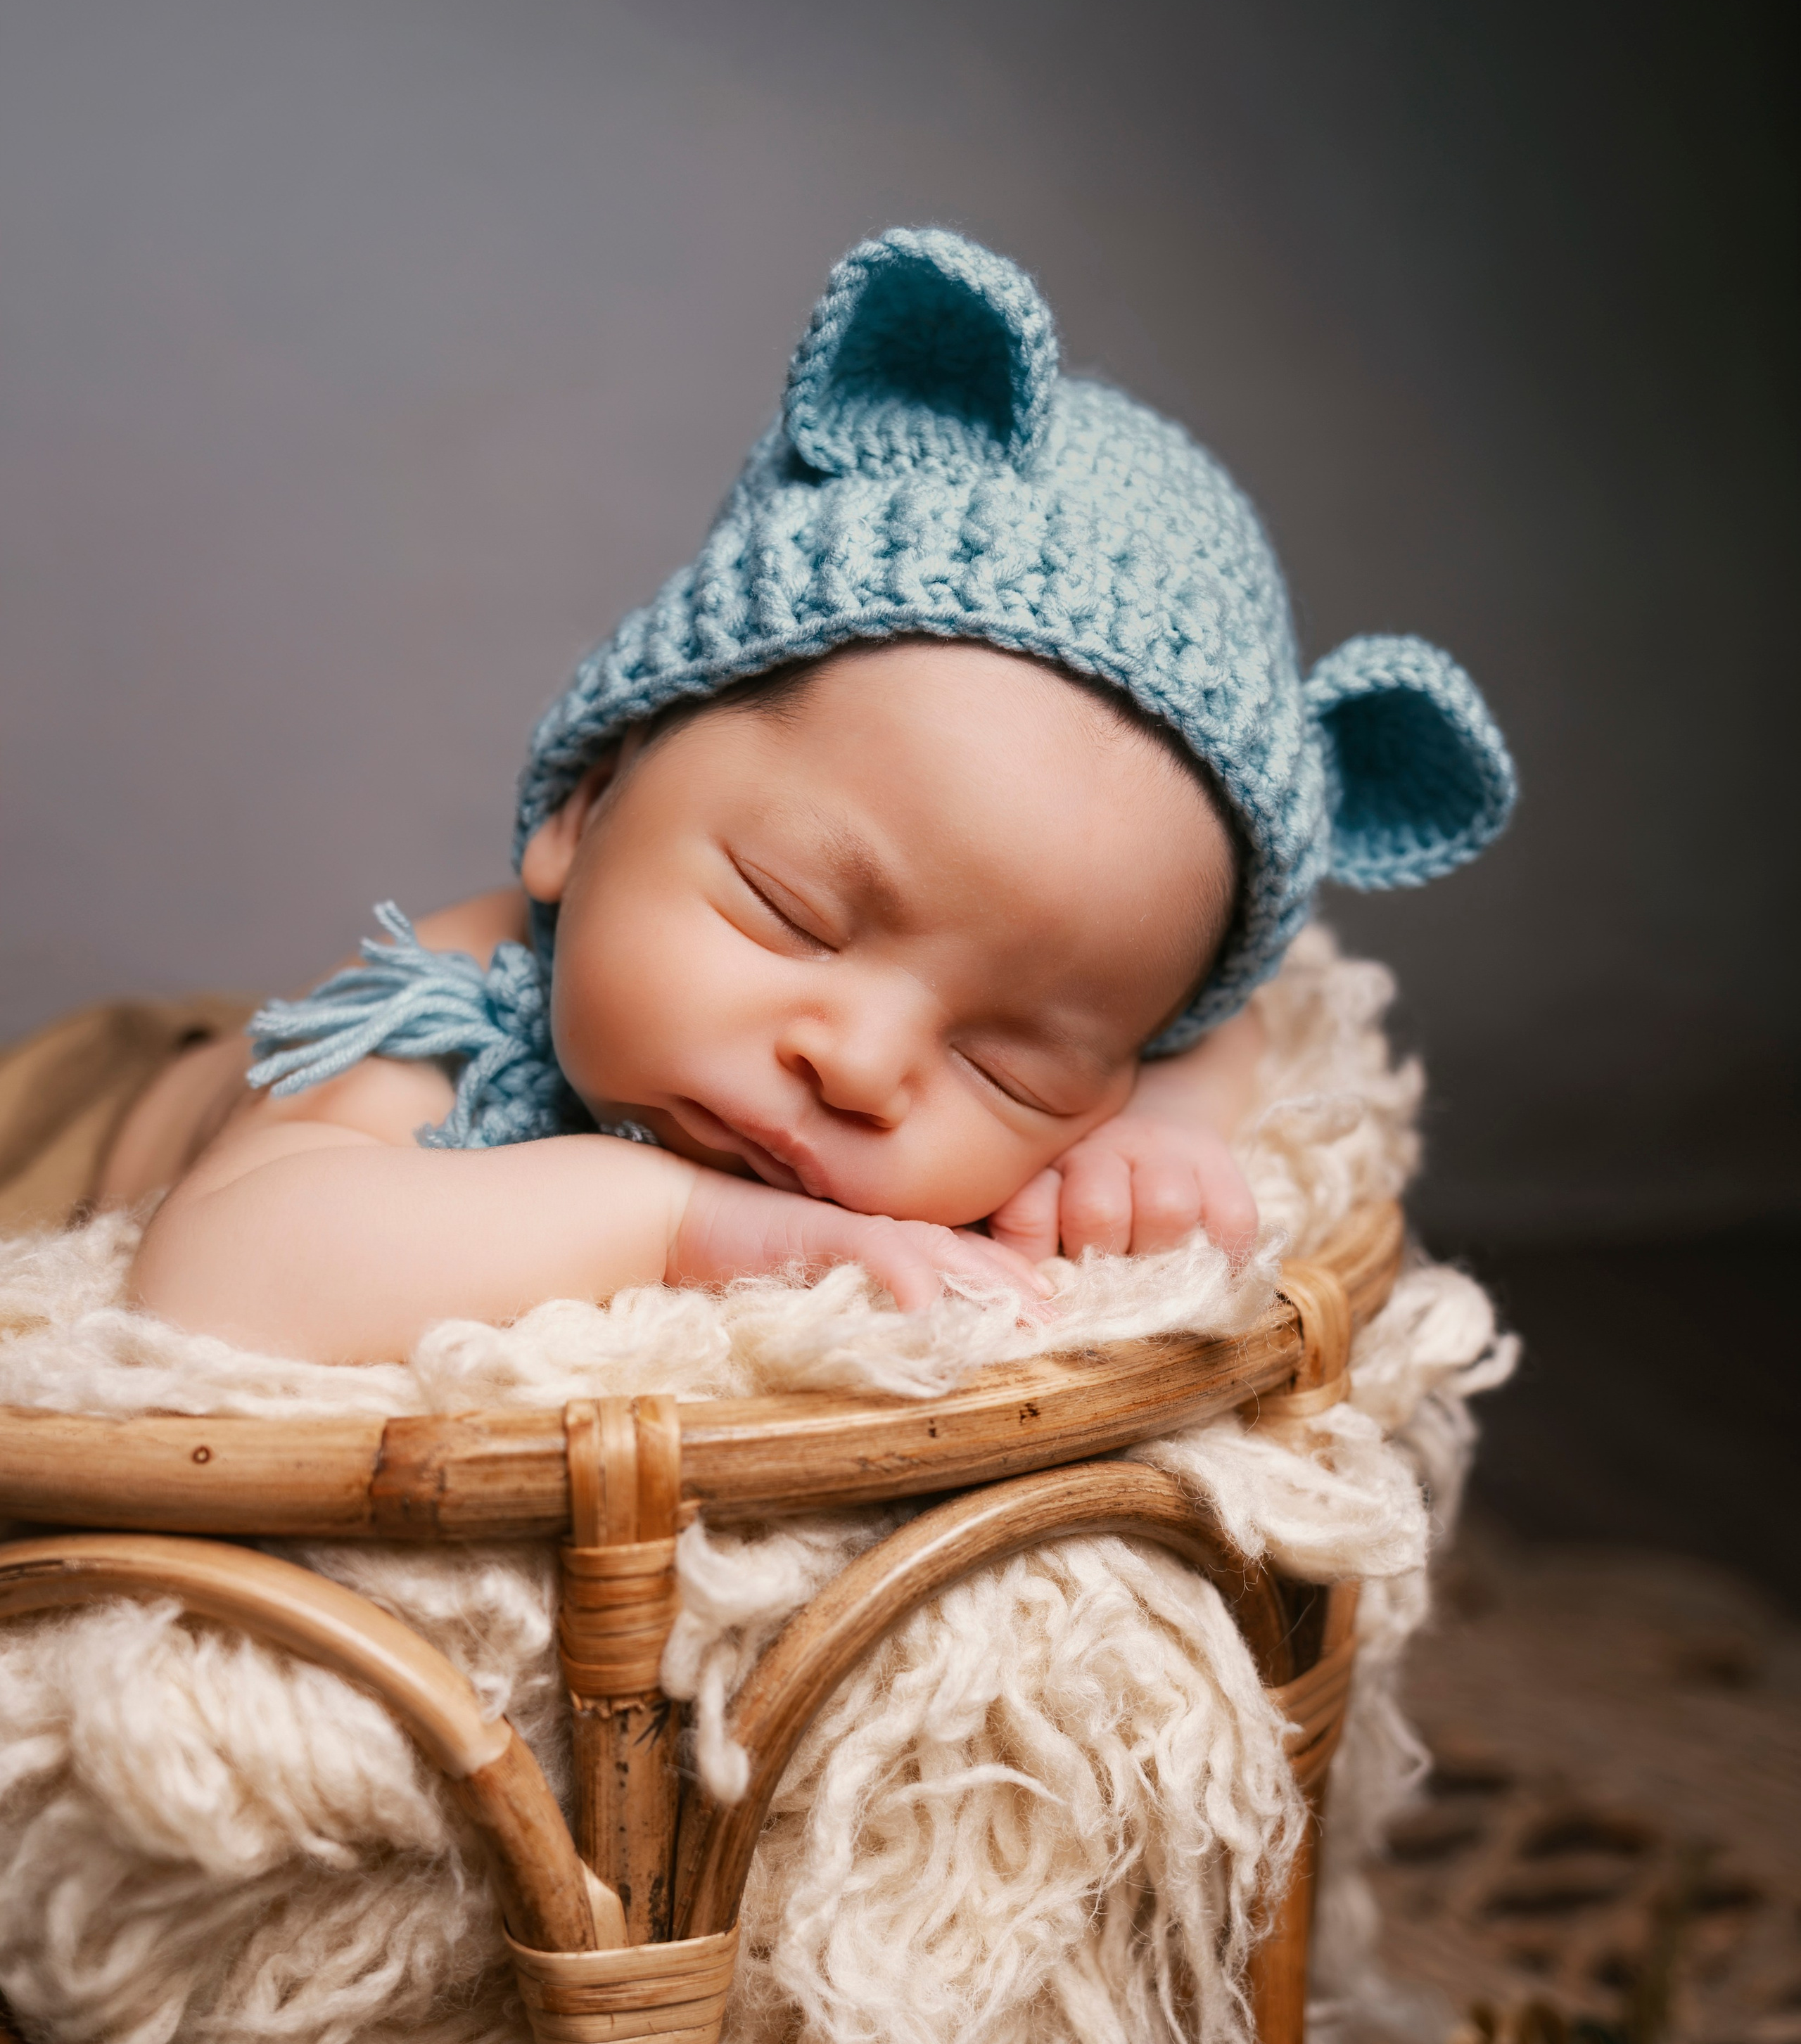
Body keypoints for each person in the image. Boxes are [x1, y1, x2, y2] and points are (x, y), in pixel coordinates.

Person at [119, 229, 1515, 1363]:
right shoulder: (456, 1007)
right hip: (93, 1106)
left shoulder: (1113, 1042)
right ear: (586, 804)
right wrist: (683, 1224)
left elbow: (1223, 1020)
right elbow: (206, 1286)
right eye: (789, 913)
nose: (859, 1064)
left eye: (1007, 1064)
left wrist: (1163, 1138)